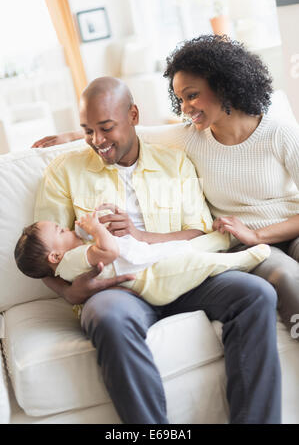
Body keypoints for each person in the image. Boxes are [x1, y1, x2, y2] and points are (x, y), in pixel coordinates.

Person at [33, 75, 281, 424]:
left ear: (134, 115)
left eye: (106, 128)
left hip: (183, 274)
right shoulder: (63, 172)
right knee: (106, 317)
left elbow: (203, 234)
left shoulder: (175, 163)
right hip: (119, 287)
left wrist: (141, 235)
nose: (97, 141)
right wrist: (71, 292)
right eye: (87, 130)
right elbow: (44, 256)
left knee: (256, 293)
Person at [35, 36, 299, 334]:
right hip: (255, 246)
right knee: (286, 276)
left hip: (284, 230)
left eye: (192, 95)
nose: (185, 108)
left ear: (224, 85)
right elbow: (133, 130)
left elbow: (124, 124)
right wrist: (74, 135)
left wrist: (258, 232)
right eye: (180, 99)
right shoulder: (191, 137)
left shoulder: (281, 134)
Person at [14, 212, 270, 308]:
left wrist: (93, 223)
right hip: (152, 279)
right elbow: (110, 251)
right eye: (61, 230)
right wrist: (96, 230)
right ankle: (240, 260)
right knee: (194, 261)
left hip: (151, 263)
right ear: (55, 256)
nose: (67, 229)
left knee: (187, 248)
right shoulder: (74, 259)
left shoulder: (70, 261)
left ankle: (222, 240)